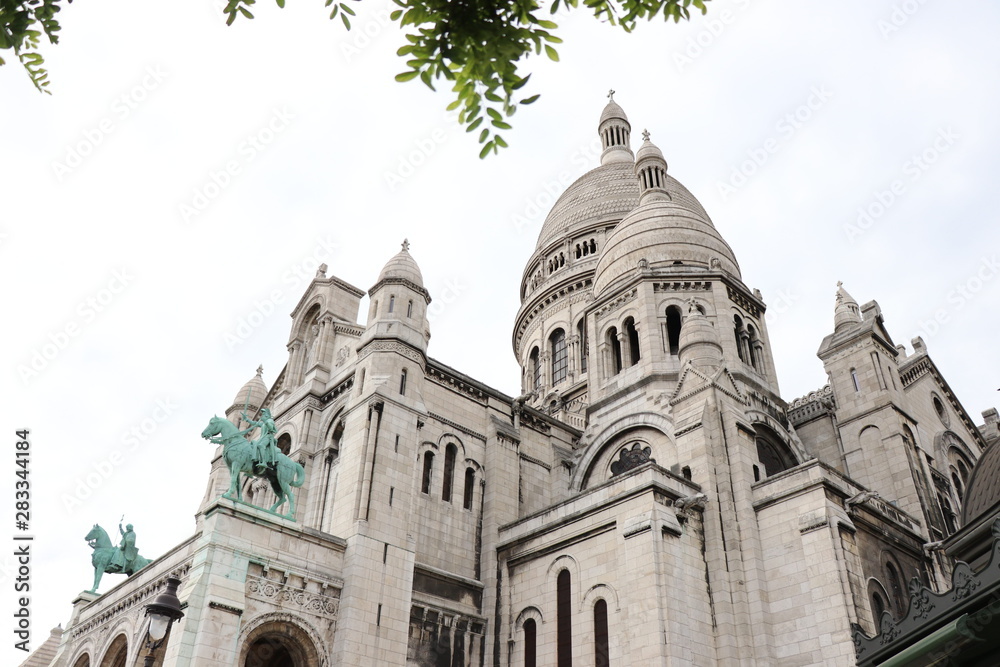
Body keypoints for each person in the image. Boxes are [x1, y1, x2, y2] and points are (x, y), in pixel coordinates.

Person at [243, 407, 278, 473]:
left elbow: (271, 428)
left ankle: (264, 462)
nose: (262, 415)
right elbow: (255, 423)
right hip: (263, 438)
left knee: (261, 445)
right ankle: (254, 460)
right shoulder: (263, 423)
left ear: (267, 415)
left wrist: (266, 422)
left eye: (264, 413)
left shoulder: (270, 421)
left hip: (268, 437)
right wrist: (247, 419)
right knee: (253, 444)